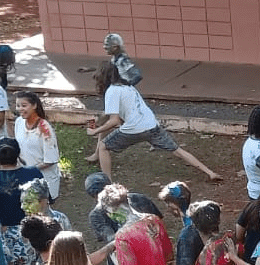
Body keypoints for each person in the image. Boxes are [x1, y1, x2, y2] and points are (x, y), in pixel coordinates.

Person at [87, 60, 222, 181]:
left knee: (104, 147)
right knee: (177, 150)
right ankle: (210, 172)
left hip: (135, 129)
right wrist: (97, 124)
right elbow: (109, 115)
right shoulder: (128, 87)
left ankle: (109, 184)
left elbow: (114, 121)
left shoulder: (111, 91)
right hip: (152, 125)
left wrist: (94, 131)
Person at [12, 91, 62, 199]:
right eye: (18, 105)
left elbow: (50, 160)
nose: (20, 109)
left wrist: (29, 171)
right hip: (25, 177)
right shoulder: (19, 122)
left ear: (34, 105)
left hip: (44, 178)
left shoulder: (44, 128)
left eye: (24, 106)